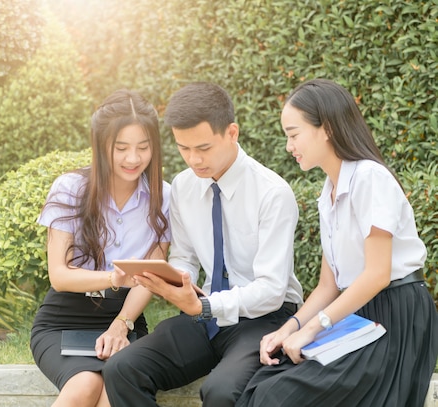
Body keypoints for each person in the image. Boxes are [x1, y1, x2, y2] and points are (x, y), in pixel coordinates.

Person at [236, 79, 438, 407]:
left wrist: (313, 328)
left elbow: (377, 275)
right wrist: (290, 328)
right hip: (357, 314)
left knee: (279, 396)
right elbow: (328, 287)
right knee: (263, 384)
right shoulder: (327, 195)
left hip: (396, 317)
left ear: (326, 128)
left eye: (293, 134)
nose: (289, 146)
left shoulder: (369, 179)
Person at [103, 82, 304, 406]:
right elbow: (184, 256)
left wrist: (205, 306)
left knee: (221, 392)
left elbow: (271, 289)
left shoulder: (272, 194)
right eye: (184, 148)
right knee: (122, 369)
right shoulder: (183, 187)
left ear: (232, 133)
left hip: (266, 318)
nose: (194, 159)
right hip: (206, 313)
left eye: (204, 148)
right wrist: (174, 280)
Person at [30, 89, 171, 407]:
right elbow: (60, 276)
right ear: (100, 144)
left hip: (127, 317)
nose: (133, 159)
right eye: (121, 148)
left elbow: (150, 277)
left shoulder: (165, 197)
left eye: (143, 147)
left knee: (115, 389)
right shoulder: (71, 188)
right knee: (84, 384)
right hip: (64, 319)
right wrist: (113, 278)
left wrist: (121, 324)